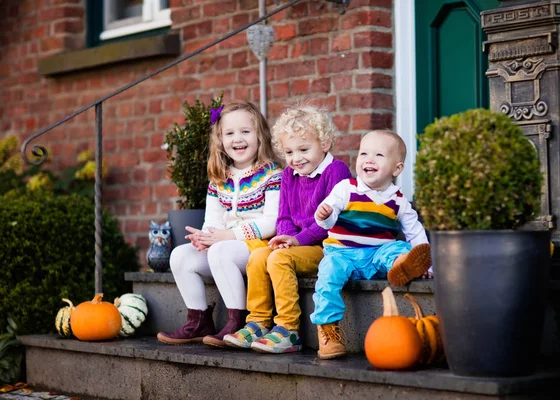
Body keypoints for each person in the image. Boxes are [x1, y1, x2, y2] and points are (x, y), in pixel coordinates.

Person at [223, 104, 352, 353]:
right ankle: (258, 322)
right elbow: (284, 215)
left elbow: (331, 221)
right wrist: (285, 237)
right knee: (259, 256)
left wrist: (298, 240)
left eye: (304, 149)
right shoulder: (290, 175)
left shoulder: (336, 171)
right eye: (290, 152)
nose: (296, 158)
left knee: (279, 260)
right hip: (298, 244)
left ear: (324, 143)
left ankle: (288, 329)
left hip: (328, 247)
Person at [157, 101, 283, 347]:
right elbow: (212, 221)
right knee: (181, 256)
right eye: (230, 133)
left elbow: (272, 222)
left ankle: (239, 322)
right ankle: (199, 320)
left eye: (245, 132)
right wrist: (203, 237)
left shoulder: (272, 174)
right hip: (225, 245)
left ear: (260, 136)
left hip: (259, 246)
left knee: (220, 250)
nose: (238, 139)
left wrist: (226, 236)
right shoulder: (219, 179)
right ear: (220, 140)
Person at [310, 129, 432, 359]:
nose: (368, 159)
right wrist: (325, 214)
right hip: (343, 254)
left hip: (378, 255)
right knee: (327, 274)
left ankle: (403, 265)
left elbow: (415, 233)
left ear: (397, 169)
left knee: (399, 248)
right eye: (364, 153)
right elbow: (328, 218)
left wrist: (427, 265)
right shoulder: (346, 188)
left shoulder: (398, 200)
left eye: (378, 155)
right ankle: (328, 330)